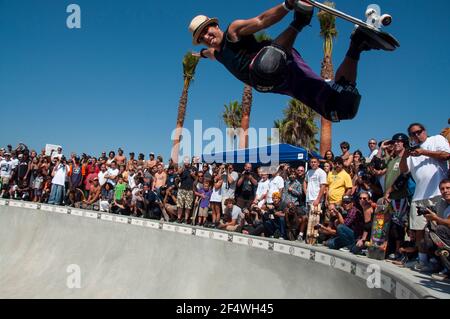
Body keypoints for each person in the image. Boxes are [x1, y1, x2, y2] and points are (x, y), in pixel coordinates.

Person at [189, 0, 396, 123]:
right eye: (202, 37)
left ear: (216, 26)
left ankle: (300, 20)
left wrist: (287, 5)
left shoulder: (233, 31)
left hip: (276, 61)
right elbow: (209, 53)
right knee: (341, 108)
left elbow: (261, 20)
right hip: (286, 83)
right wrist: (199, 55)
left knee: (264, 68)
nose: (207, 36)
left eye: (208, 30)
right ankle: (357, 44)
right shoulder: (216, 54)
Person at [400, 123, 450, 271]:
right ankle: (423, 261)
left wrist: (424, 152)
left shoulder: (436, 139)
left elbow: (446, 155)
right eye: (412, 134)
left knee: (438, 230)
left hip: (437, 193)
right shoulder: (412, 151)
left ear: (425, 131)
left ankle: (442, 263)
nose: (416, 136)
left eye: (418, 132)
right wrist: (404, 155)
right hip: (419, 196)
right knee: (419, 231)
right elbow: (404, 170)